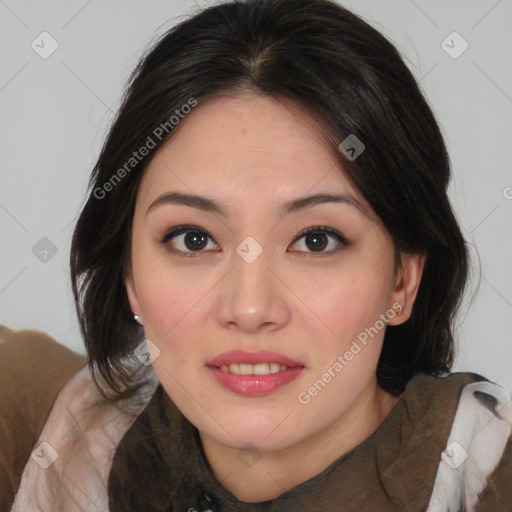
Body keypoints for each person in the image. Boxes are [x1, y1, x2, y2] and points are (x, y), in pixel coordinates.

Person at [10, 0, 512, 510]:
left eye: (316, 240)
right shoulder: (71, 443)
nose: (249, 309)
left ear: (402, 281)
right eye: (194, 239)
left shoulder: (489, 478)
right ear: (130, 276)